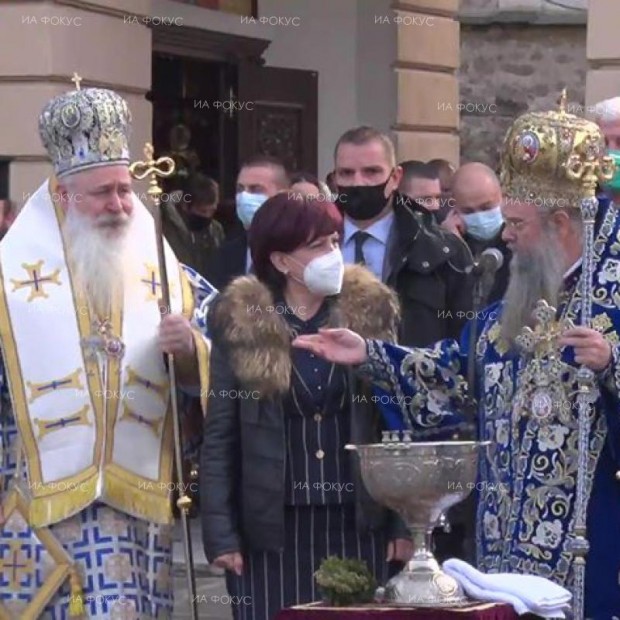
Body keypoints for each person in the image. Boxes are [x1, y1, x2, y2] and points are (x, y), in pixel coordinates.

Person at [291, 103, 620, 618]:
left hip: (592, 543)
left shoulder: (613, 299)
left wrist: (612, 367)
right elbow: (452, 374)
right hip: (503, 547)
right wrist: (372, 355)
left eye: (516, 223)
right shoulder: (509, 307)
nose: (505, 235)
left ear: (561, 223)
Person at [0, 84, 215, 618]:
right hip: (38, 503)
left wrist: (190, 350)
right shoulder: (6, 282)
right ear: (63, 194)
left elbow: (221, 356)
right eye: (103, 193)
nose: (120, 205)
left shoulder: (168, 275)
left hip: (138, 501)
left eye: (124, 189)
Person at [200, 193, 411, 620]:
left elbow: (397, 423)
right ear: (280, 261)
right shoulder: (243, 324)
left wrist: (404, 524)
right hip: (272, 531)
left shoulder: (370, 316)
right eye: (317, 246)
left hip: (357, 521)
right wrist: (221, 533)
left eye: (334, 241)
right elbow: (220, 434)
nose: (332, 254)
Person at [334, 126, 472, 347]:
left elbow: (463, 343)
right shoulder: (305, 244)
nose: (358, 183)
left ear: (396, 177)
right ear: (335, 178)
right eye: (347, 173)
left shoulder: (443, 253)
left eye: (371, 172)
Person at [207, 155, 289, 290]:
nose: (244, 196)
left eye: (255, 189)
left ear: (283, 196)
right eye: (240, 189)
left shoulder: (300, 253)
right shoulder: (225, 254)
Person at [443, 162, 511, 304]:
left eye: (486, 207)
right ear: (454, 209)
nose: (479, 217)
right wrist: (452, 246)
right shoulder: (445, 246)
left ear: (503, 196)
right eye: (468, 211)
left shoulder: (519, 242)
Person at [162, 172, 225, 280]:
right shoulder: (164, 228)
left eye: (212, 211)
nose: (208, 216)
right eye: (203, 211)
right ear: (185, 206)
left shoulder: (216, 230)